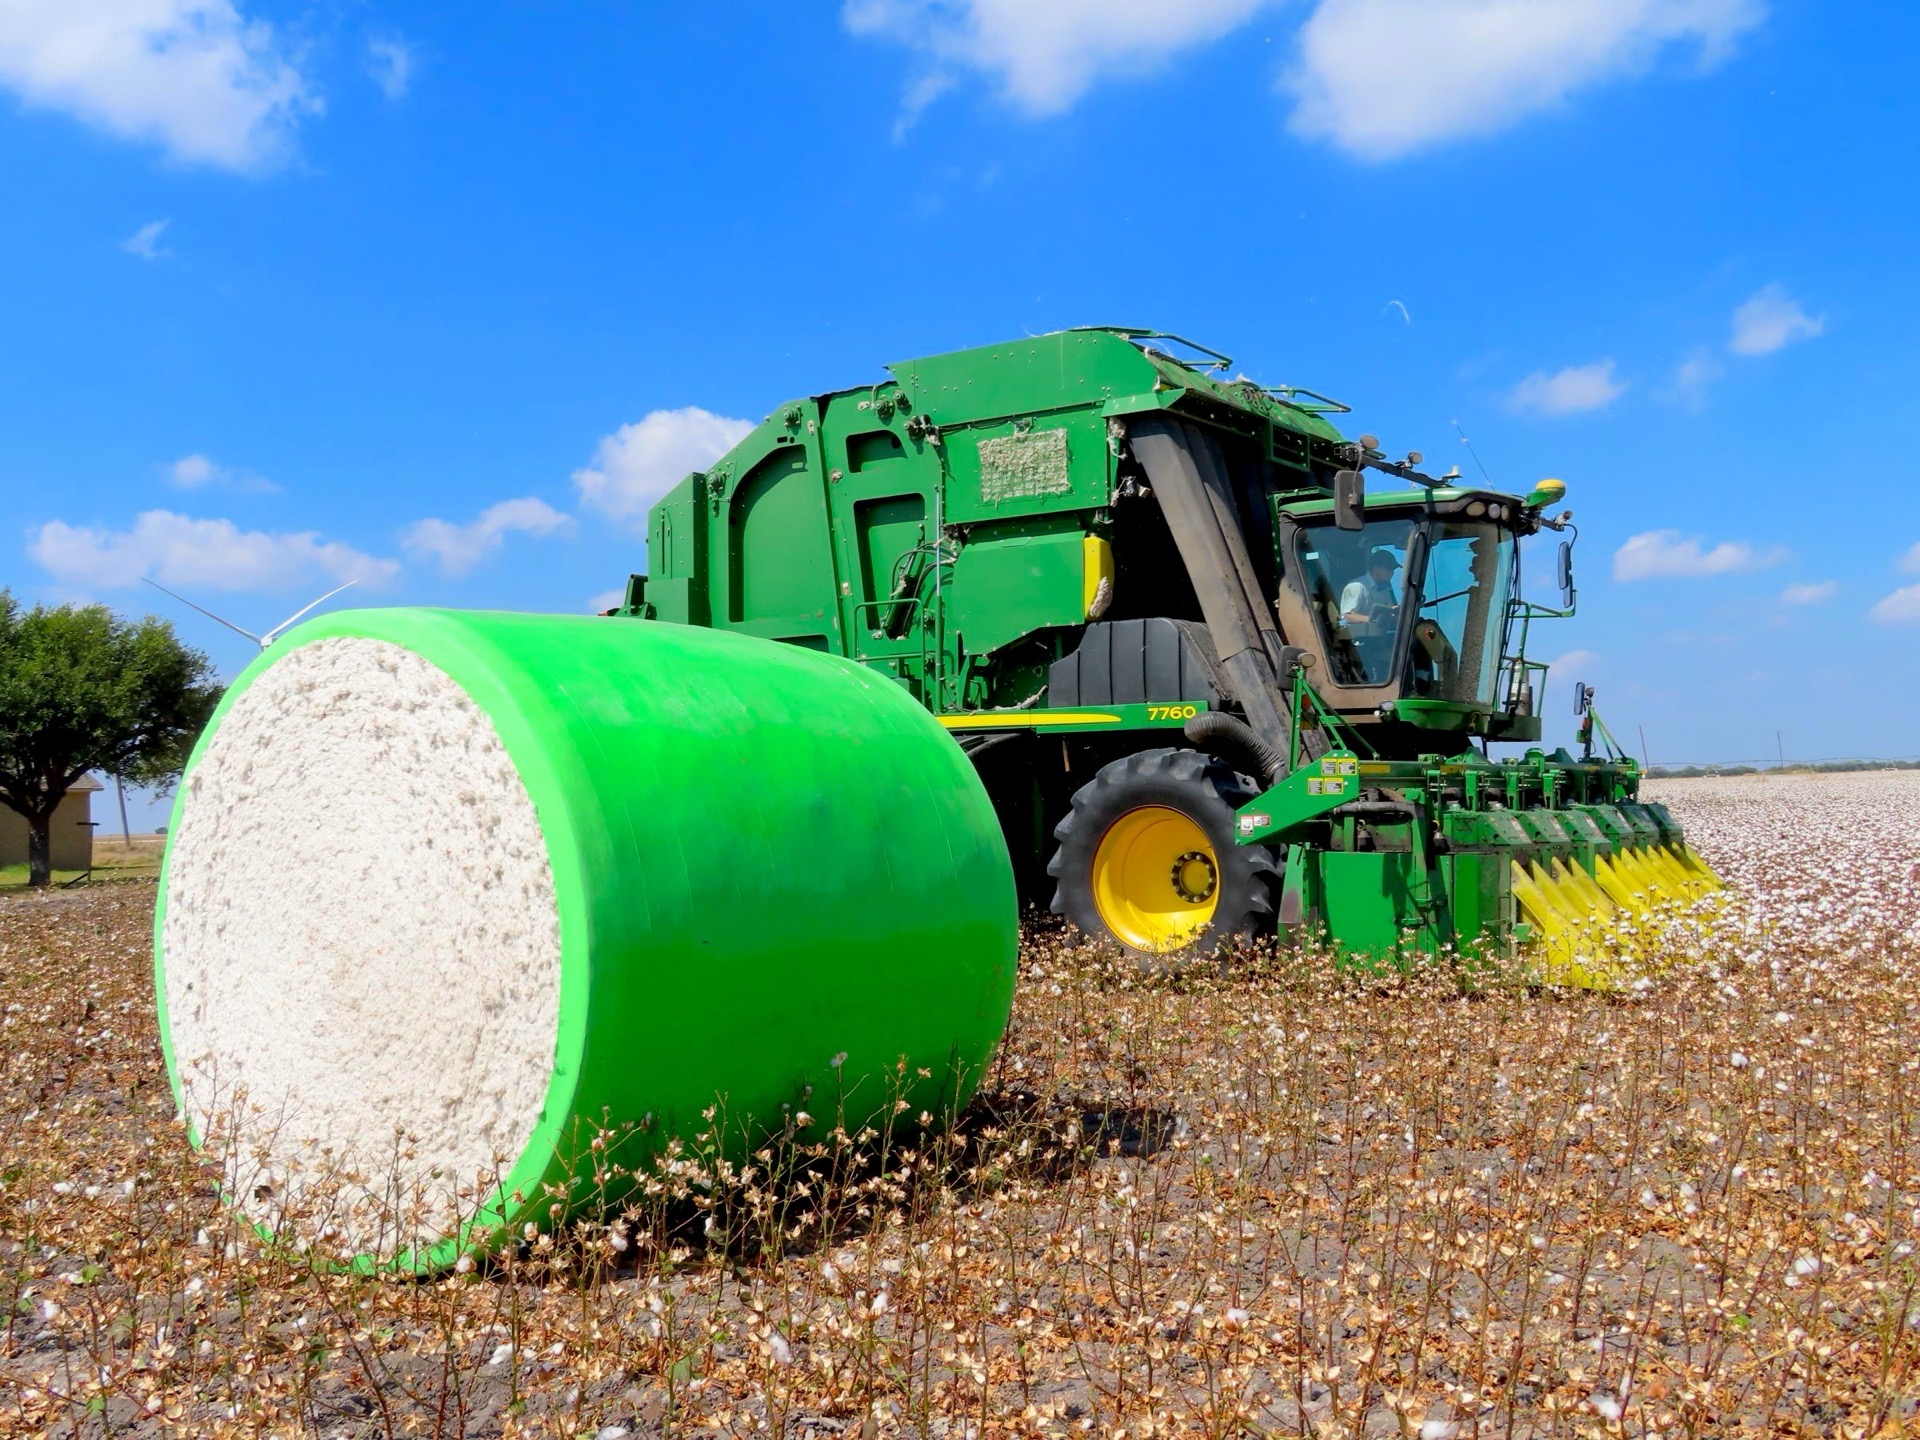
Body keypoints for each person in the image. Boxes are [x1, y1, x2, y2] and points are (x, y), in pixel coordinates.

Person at [1339, 548, 1401, 637]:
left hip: (1381, 636)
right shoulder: (1357, 586)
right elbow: (1346, 616)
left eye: (1393, 570)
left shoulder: (1386, 589)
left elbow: (1389, 612)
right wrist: (1370, 619)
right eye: (1389, 569)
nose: (1392, 573)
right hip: (1360, 640)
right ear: (1376, 568)